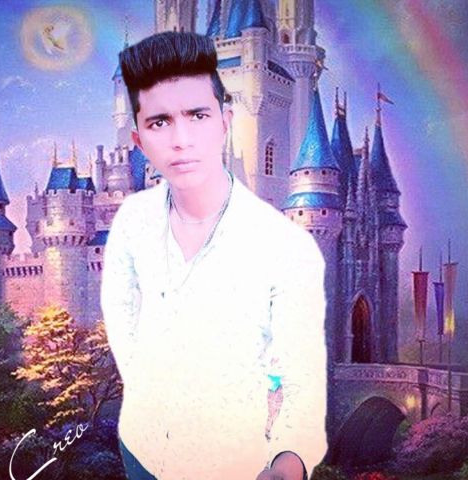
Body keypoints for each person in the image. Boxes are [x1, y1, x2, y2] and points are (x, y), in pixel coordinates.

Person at [101, 31, 328, 480]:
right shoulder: (131, 222)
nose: (181, 139)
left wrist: (288, 460)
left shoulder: (287, 246)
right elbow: (123, 327)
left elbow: (301, 374)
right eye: (160, 122)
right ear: (139, 140)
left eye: (197, 115)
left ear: (225, 121)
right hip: (143, 453)